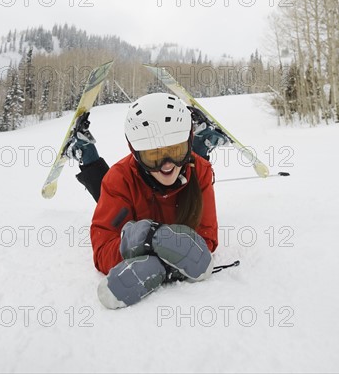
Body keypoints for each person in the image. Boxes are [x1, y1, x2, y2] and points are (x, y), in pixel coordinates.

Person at [65, 92, 228, 309]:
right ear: (136, 152)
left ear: (186, 143)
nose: (166, 165)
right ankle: (84, 149)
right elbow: (103, 249)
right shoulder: (119, 179)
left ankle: (201, 140)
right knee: (105, 188)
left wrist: (163, 266)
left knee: (193, 165)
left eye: (176, 151)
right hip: (128, 195)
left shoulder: (202, 170)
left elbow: (207, 237)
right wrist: (135, 242)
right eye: (153, 156)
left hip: (186, 169)